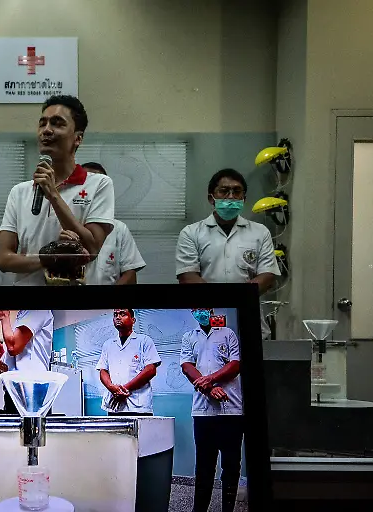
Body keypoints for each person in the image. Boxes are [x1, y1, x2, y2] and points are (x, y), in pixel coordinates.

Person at [0, 95, 115, 285]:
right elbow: (4, 260)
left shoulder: (99, 184)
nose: (46, 130)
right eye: (42, 124)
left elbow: (92, 248)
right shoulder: (19, 192)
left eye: (57, 123)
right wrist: (49, 259)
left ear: (78, 138)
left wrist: (53, 194)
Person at [175, 168, 281, 339]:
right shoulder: (191, 233)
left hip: (248, 315)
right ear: (211, 198)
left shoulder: (260, 232)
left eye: (237, 191)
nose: (231, 197)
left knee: (251, 353)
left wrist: (238, 300)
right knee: (209, 350)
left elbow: (267, 276)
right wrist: (225, 300)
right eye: (224, 191)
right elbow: (187, 277)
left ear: (244, 198)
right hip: (206, 317)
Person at [180, 308, 243, 512]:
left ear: (211, 310)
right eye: (197, 309)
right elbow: (187, 366)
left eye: (204, 308)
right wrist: (210, 389)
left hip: (231, 409)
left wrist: (210, 379)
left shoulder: (227, 333)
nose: (201, 312)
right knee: (204, 466)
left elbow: (235, 365)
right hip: (203, 411)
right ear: (192, 312)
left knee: (231, 465)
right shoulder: (189, 337)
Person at [81, 162, 146, 285]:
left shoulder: (119, 228)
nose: (92, 188)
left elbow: (130, 273)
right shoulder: (64, 223)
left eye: (98, 183)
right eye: (87, 182)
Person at [96, 309, 162, 415]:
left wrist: (123, 389)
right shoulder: (108, 345)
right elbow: (103, 370)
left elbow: (150, 370)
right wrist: (111, 387)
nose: (118, 317)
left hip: (138, 406)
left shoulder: (144, 341)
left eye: (123, 314)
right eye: (115, 315)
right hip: (114, 404)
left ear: (133, 320)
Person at [0, 309, 54, 414]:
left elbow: (13, 347)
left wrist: (4, 317)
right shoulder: (22, 316)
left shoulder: (37, 311)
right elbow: (15, 355)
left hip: (31, 388)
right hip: (15, 388)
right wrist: (0, 356)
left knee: (30, 424)